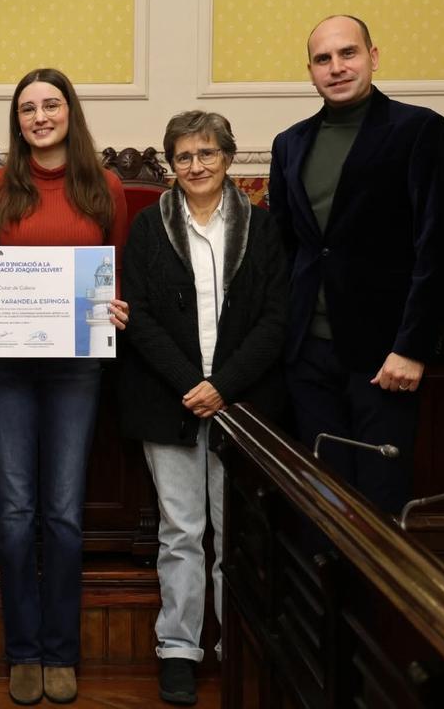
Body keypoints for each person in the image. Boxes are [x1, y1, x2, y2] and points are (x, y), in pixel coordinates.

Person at [0, 68, 129, 705]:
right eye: (28, 109)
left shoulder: (103, 186)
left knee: (65, 516)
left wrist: (117, 308)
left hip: (77, 367)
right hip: (5, 370)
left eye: (52, 105)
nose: (41, 116)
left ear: (70, 113)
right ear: (17, 121)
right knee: (18, 513)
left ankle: (61, 651)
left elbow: (116, 274)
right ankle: (24, 652)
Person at [118, 111, 287, 706]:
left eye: (207, 154)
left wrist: (224, 386)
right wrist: (191, 383)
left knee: (236, 534)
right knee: (181, 532)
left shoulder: (263, 228)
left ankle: (236, 645)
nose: (196, 166)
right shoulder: (148, 228)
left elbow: (275, 319)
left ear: (229, 158)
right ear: (171, 164)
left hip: (242, 405)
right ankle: (180, 649)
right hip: (169, 401)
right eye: (184, 156)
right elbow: (136, 313)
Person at [268, 15, 444, 516]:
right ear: (310, 71)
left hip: (384, 361)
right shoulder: (289, 144)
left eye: (348, 53)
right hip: (308, 358)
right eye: (323, 59)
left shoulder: (418, 129)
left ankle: (374, 600)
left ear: (373, 57)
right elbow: (289, 248)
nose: (336, 67)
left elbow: (440, 247)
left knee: (379, 506)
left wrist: (411, 348)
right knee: (321, 506)